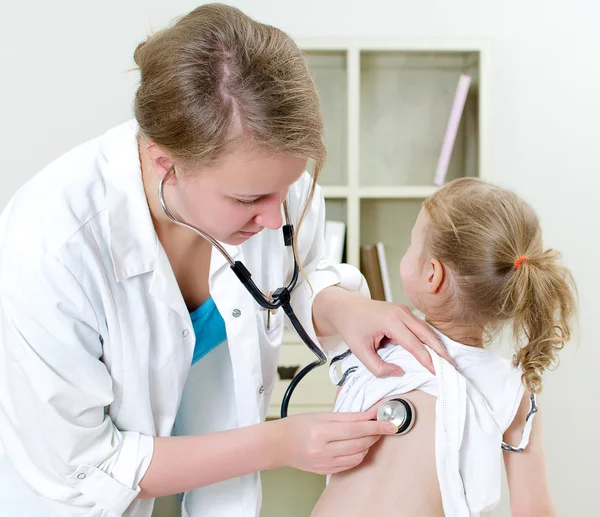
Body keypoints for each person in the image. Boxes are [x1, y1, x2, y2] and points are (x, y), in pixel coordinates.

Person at [0, 4, 450, 517]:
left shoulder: (272, 188)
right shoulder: (52, 246)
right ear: (162, 160)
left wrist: (340, 306)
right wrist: (275, 444)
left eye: (286, 188)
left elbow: (295, 278)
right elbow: (84, 468)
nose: (273, 215)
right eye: (248, 200)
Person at [311, 177, 577, 517]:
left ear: (432, 275)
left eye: (412, 244)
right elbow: (534, 510)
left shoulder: (375, 348)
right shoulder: (511, 388)